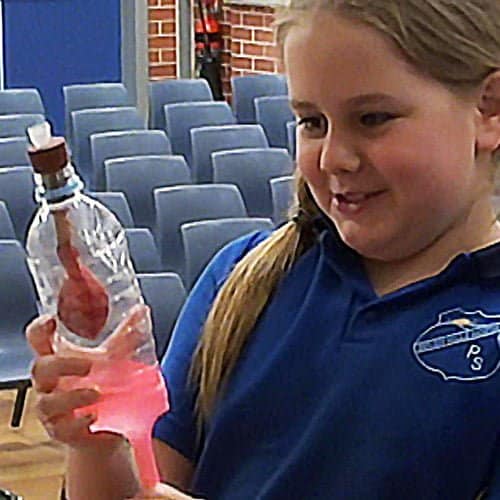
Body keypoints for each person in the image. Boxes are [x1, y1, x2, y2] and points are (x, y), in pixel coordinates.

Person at [27, 0, 500, 498]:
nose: (334, 158)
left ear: (488, 109)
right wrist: (98, 447)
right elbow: (144, 487)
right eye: (312, 122)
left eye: (373, 118)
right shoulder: (241, 281)